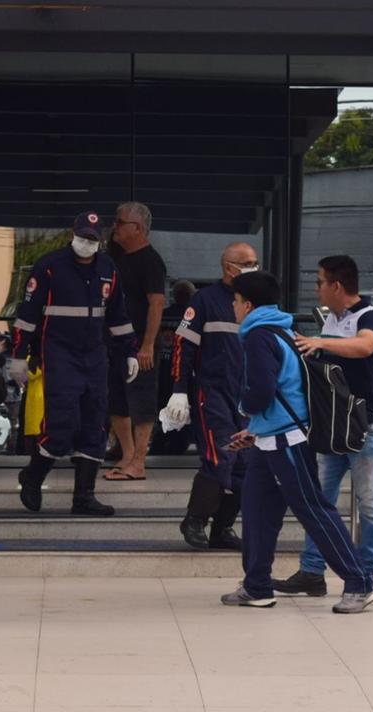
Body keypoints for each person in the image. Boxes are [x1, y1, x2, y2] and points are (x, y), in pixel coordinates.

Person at [219, 271, 373, 614]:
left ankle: (360, 582)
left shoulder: (259, 336)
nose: (232, 307)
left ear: (247, 305)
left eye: (235, 301)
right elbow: (287, 387)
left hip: (287, 440)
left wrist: (246, 410)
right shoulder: (281, 330)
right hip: (271, 438)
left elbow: (262, 391)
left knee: (313, 509)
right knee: (258, 511)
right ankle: (257, 585)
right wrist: (256, 429)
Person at [271, 256, 373, 597]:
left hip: (365, 426)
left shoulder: (368, 316)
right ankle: (312, 571)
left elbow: (367, 345)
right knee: (318, 499)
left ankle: (366, 573)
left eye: (320, 282)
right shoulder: (331, 320)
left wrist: (320, 343)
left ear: (337, 286)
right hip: (332, 426)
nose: (316, 288)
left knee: (369, 502)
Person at [9, 212, 137, 516]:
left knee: (94, 425)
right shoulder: (50, 266)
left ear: (100, 239)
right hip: (59, 354)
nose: (87, 243)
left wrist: (129, 352)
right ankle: (33, 477)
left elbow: (118, 315)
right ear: (73, 233)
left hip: (95, 356)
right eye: (83, 236)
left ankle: (84, 497)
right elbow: (27, 316)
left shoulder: (108, 268)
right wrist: (18, 356)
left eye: (93, 238)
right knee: (61, 425)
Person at [164, 245, 260, 551]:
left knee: (245, 465)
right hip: (213, 393)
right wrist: (179, 391)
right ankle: (195, 520)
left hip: (247, 399)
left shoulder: (256, 303)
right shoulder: (205, 300)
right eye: (246, 263)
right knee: (221, 459)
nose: (252, 267)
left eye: (255, 263)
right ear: (228, 266)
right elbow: (183, 347)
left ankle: (223, 528)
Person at [105, 201, 166, 481]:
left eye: (119, 223)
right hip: (116, 342)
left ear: (137, 228)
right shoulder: (115, 256)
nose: (114, 227)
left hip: (140, 342)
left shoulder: (150, 261)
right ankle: (127, 455)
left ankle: (139, 460)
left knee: (141, 402)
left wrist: (148, 345)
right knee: (116, 400)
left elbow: (156, 304)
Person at [149, 279, 196, 457]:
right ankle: (178, 442)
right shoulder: (192, 317)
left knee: (163, 406)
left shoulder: (163, 315)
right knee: (185, 408)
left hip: (162, 368)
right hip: (184, 372)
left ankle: (160, 443)